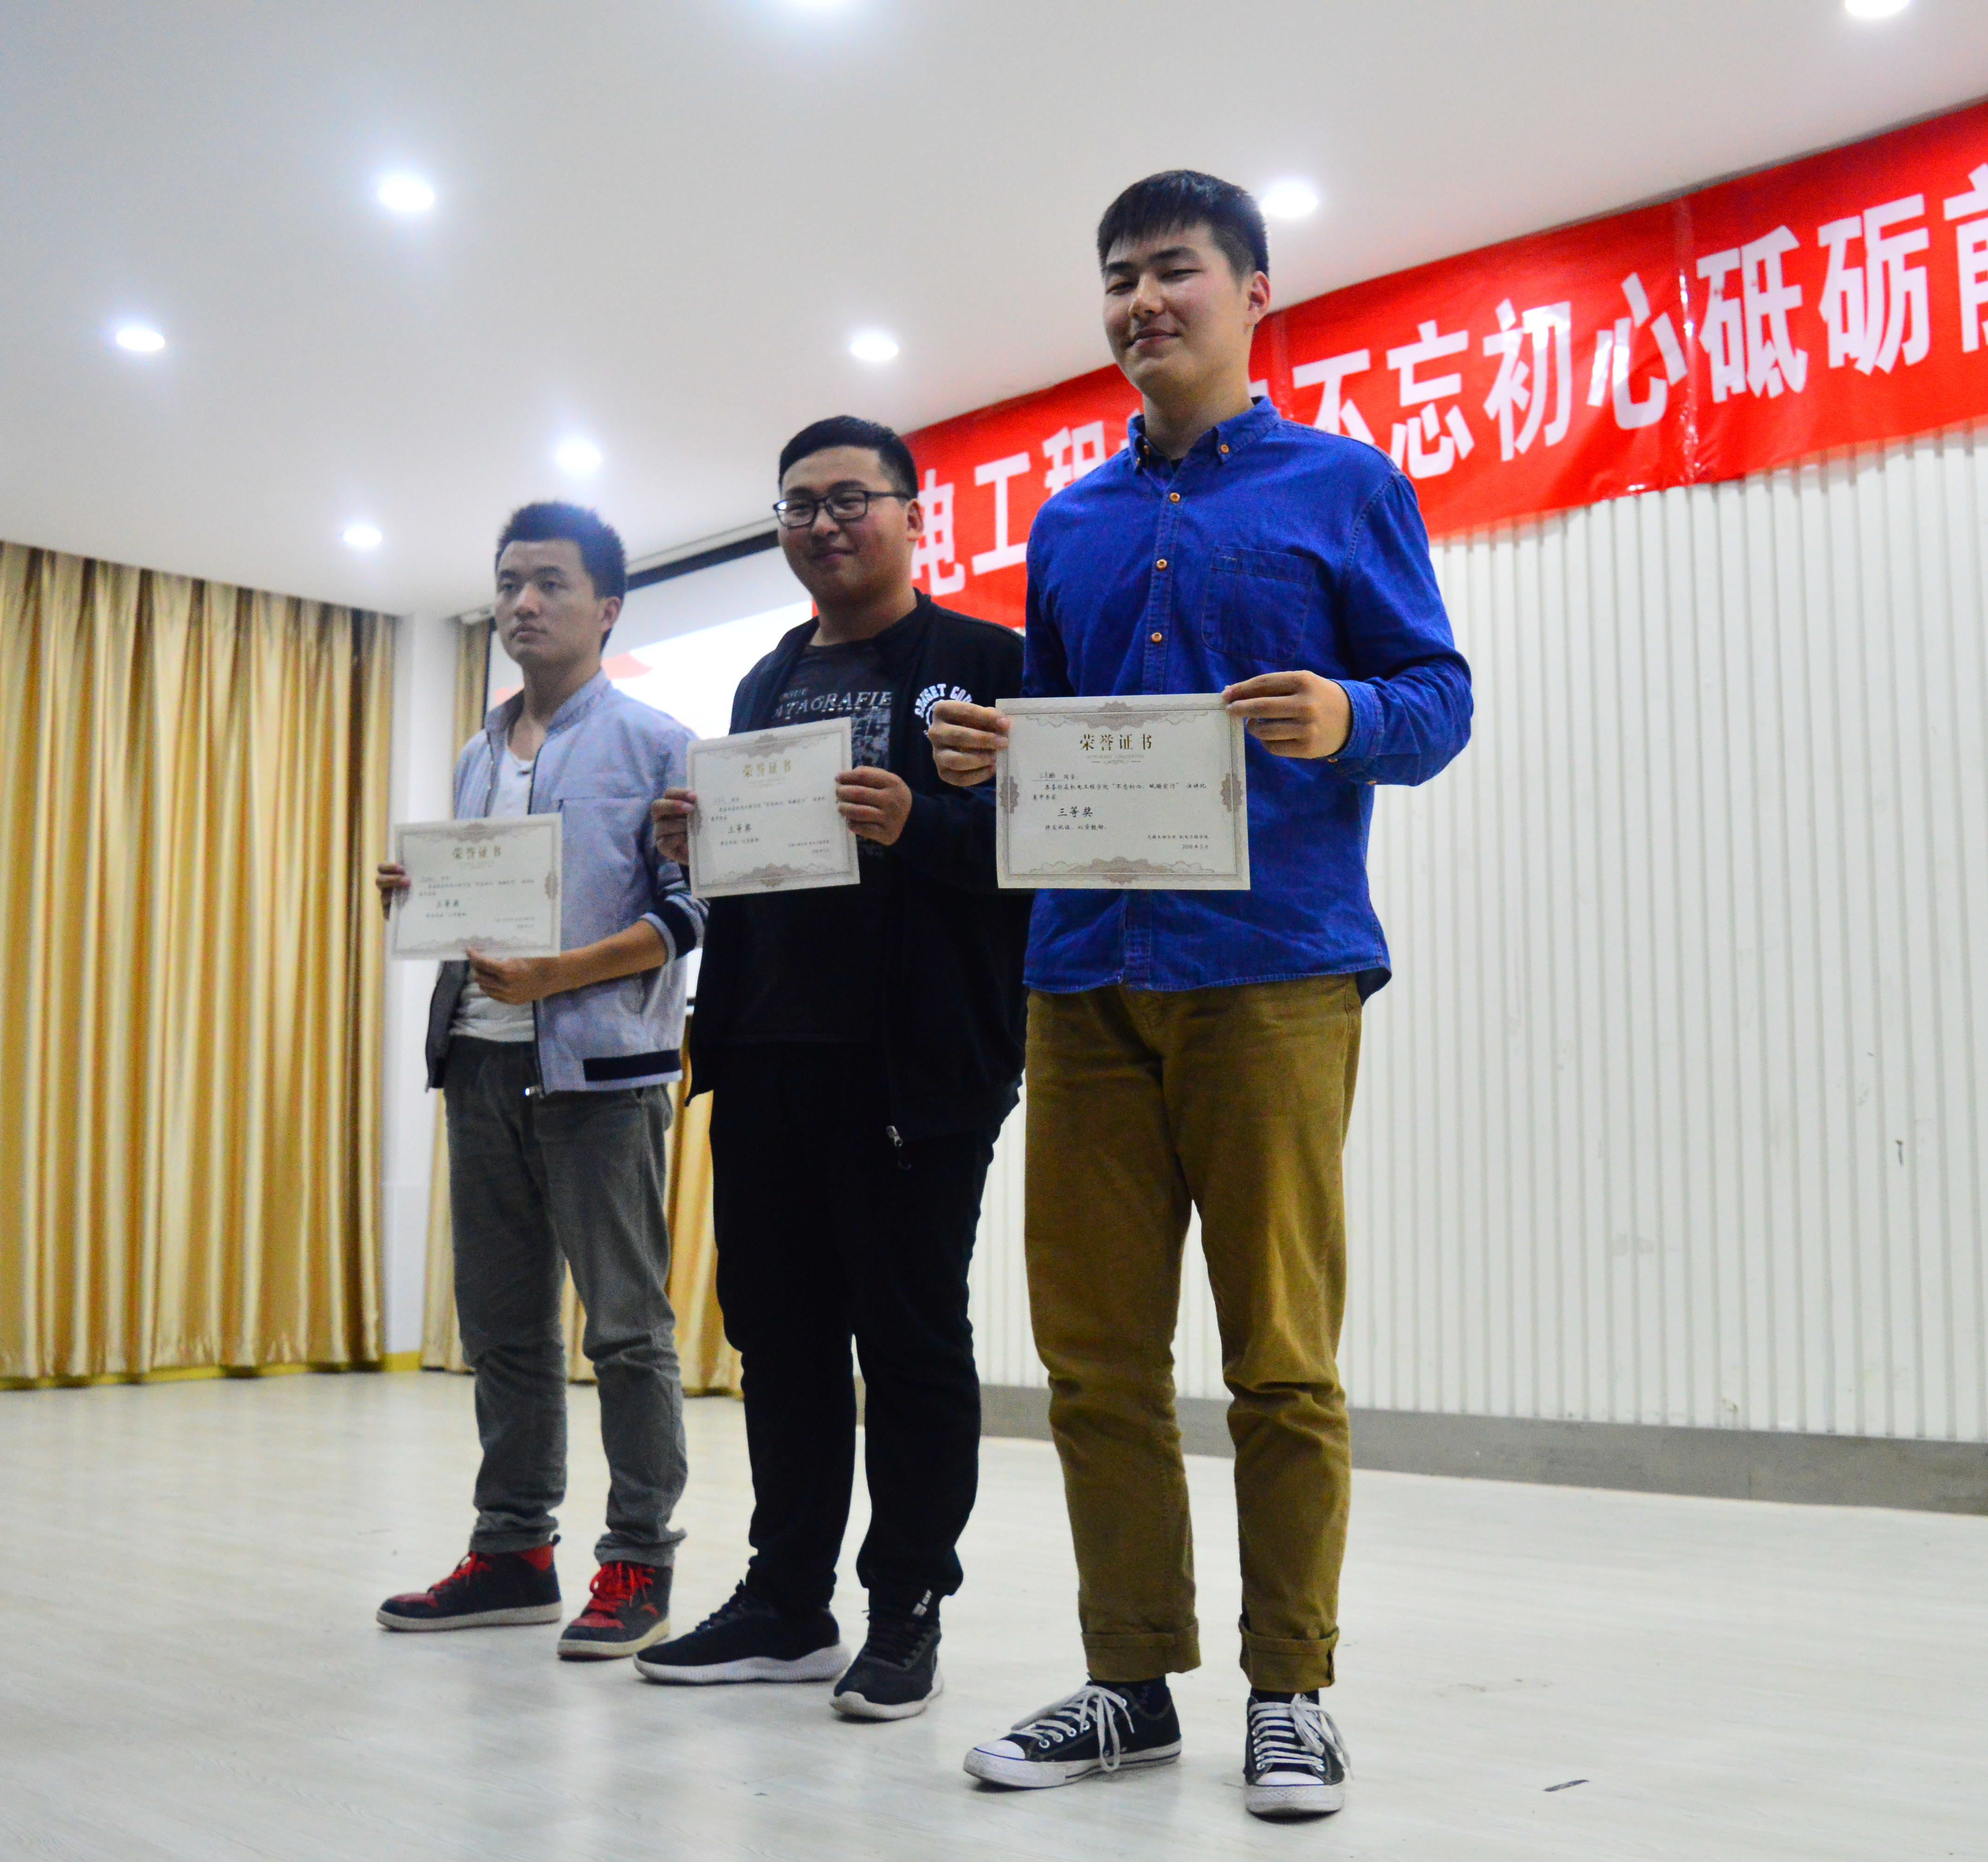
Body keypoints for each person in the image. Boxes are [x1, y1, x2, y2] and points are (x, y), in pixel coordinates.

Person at [929, 171, 1473, 1822]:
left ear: (1252, 293)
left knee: (1279, 1358)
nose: (1140, 301)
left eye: (1173, 269)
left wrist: (1348, 715)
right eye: (1117, 278)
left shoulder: (1347, 487)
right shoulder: (1070, 523)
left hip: (1273, 970)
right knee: (1094, 1361)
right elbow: (1063, 730)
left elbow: (1438, 700)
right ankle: (1129, 1682)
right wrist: (991, 756)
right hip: (1083, 972)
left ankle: (1290, 1693)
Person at [633, 417, 1030, 1721]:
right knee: (780, 1336)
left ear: (915, 513)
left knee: (909, 1341)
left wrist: (924, 825)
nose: (823, 523)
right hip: (764, 1051)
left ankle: (905, 1605)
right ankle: (787, 1599)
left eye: (851, 497)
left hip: (915, 1064)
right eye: (798, 505)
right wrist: (696, 841)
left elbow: (1047, 857)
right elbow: (760, 868)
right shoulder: (763, 680)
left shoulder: (989, 662)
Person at [373, 502, 706, 1662]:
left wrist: (557, 973)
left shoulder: (657, 741)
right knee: (504, 1326)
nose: (522, 602)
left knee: (625, 1328)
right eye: (509, 581)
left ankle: (639, 1559)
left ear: (605, 608)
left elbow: (690, 913)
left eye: (549, 583)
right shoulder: (478, 749)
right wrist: (422, 896)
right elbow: (482, 902)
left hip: (599, 1073)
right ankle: (513, 1550)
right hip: (477, 1059)